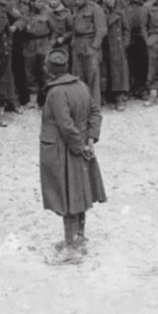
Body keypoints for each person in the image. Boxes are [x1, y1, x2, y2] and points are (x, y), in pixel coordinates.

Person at [39, 49, 106, 265]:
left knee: (67, 196)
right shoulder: (81, 86)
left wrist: (79, 147)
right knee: (81, 194)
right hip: (80, 146)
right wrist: (89, 141)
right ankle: (79, 239)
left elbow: (65, 126)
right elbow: (96, 113)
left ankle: (71, 247)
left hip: (64, 149)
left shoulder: (56, 93)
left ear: (50, 71)